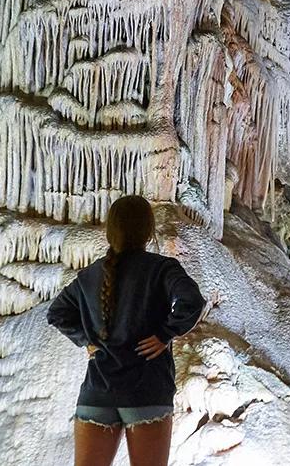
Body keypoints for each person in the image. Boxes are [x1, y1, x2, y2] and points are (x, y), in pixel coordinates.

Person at [46, 194, 207, 466]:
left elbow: (57, 312)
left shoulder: (90, 275)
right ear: (147, 230)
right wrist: (167, 333)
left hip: (97, 392)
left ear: (111, 231)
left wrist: (86, 341)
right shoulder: (162, 269)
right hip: (146, 390)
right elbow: (192, 301)